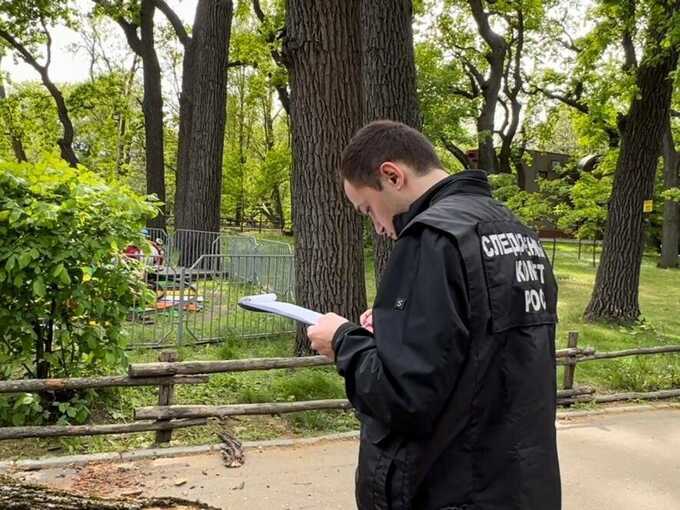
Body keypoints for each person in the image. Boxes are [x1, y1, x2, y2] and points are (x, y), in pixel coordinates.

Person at [307, 120, 561, 510]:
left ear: (391, 176)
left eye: (368, 209)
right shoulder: (517, 232)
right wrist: (398, 327)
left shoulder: (432, 239)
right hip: (520, 482)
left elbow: (404, 399)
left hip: (453, 487)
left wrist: (342, 340)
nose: (377, 226)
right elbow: (481, 350)